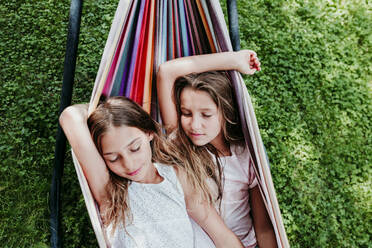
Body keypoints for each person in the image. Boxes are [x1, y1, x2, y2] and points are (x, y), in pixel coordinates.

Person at [59, 96, 243, 248]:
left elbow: (219, 233)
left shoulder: (175, 176)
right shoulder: (110, 192)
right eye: (113, 158)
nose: (129, 165)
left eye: (135, 148)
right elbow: (70, 117)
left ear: (149, 133)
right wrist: (102, 111)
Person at [157, 50, 277, 248]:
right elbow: (167, 72)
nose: (194, 125)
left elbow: (263, 228)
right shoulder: (181, 146)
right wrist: (234, 60)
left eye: (206, 115)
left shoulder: (246, 156)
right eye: (186, 113)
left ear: (226, 113)